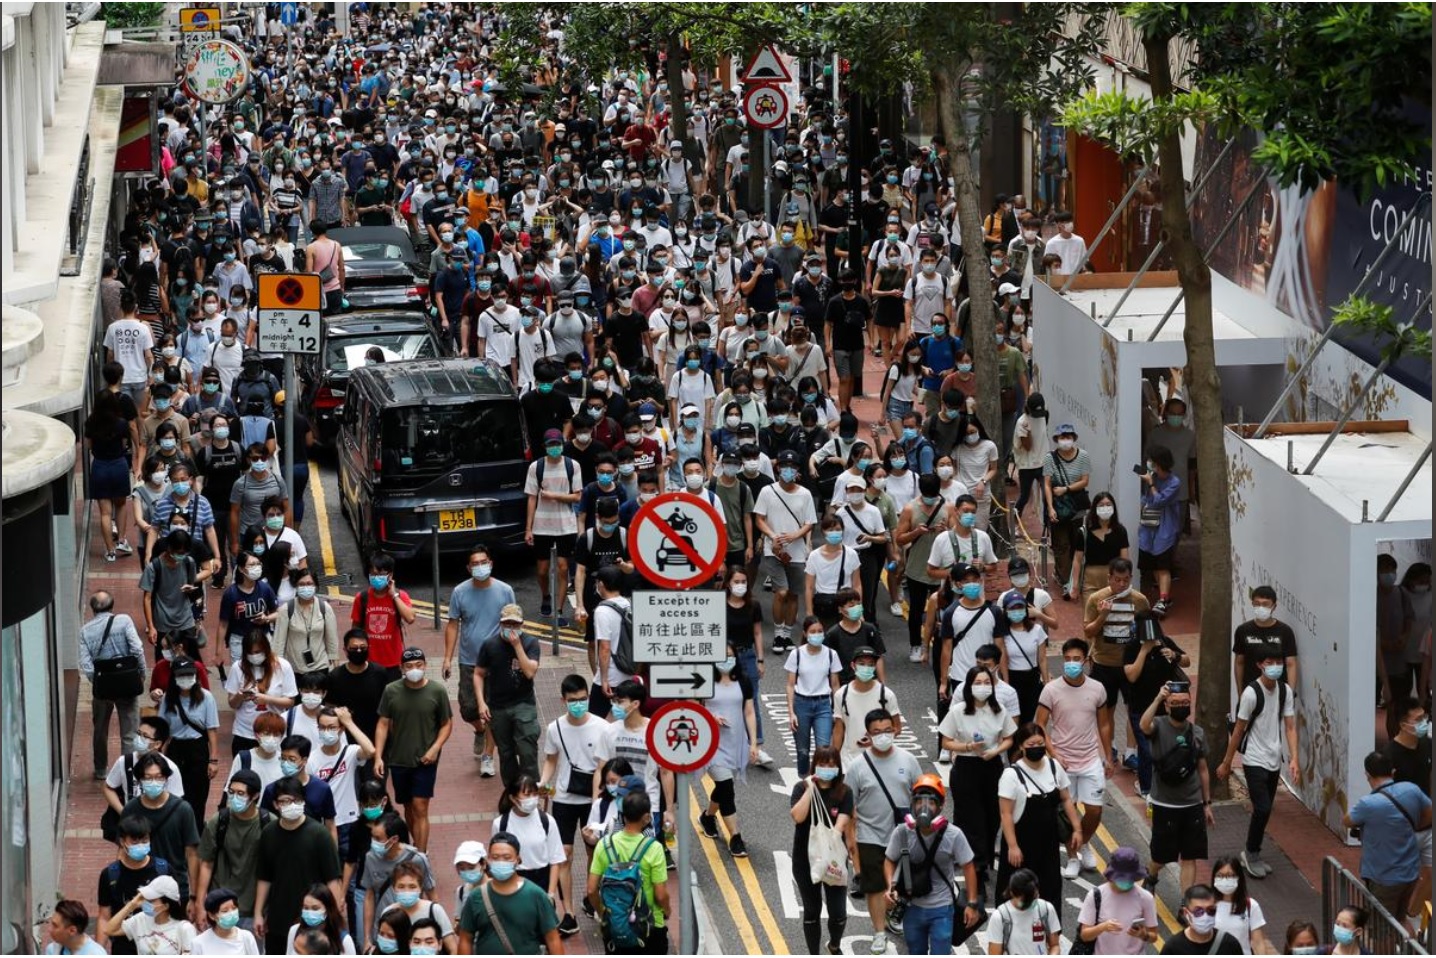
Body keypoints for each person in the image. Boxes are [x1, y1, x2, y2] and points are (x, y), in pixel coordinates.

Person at [1216, 649, 1300, 879]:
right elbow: (1238, 730)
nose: (1276, 666)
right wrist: (1227, 762)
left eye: (1279, 662)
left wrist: (1294, 758)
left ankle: (1253, 851)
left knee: (1265, 810)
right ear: (1260, 664)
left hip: (1274, 759)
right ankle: (1251, 853)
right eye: (1270, 662)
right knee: (1262, 808)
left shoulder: (1285, 691)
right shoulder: (1251, 694)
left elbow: (1290, 726)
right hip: (1253, 759)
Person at [1035, 638, 1112, 879]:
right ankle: (1072, 858)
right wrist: (1055, 757)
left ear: (1086, 661)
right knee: (1066, 814)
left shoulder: (1097, 689)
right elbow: (1039, 725)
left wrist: (1108, 756)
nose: (1071, 664)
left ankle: (1083, 842)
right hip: (1062, 763)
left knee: (1095, 811)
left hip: (1090, 759)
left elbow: (1105, 724)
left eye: (1076, 659)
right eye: (1067, 659)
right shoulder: (1051, 690)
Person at [847, 708, 922, 954]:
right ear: (868, 734)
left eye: (887, 730)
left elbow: (922, 797)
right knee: (875, 887)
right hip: (870, 836)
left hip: (903, 835)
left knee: (904, 884)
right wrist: (851, 843)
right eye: (877, 732)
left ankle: (895, 914)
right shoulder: (857, 767)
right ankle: (879, 932)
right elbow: (849, 807)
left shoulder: (908, 760)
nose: (883, 736)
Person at [883, 774, 983, 956]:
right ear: (912, 804)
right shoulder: (902, 832)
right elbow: (890, 859)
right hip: (912, 907)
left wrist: (972, 903)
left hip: (942, 909)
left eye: (931, 802)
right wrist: (889, 886)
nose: (924, 806)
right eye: (919, 800)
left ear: (941, 806)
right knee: (916, 951)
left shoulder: (954, 835)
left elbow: (968, 866)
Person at [539, 674, 605, 939]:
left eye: (583, 699)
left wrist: (597, 802)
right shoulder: (555, 728)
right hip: (564, 799)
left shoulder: (602, 727)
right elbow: (551, 760)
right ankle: (569, 914)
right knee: (564, 855)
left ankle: (591, 895)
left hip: (593, 800)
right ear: (563, 700)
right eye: (573, 701)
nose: (579, 704)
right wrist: (543, 781)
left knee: (594, 852)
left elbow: (602, 766)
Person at [443, 544, 517, 775]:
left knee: (492, 710)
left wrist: (514, 656)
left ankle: (488, 755)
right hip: (468, 661)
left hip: (497, 661)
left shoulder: (505, 591)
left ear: (491, 564)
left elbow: (513, 623)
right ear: (468, 567)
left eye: (483, 562)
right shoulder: (460, 592)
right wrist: (447, 658)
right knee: (468, 709)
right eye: (474, 563)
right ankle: (479, 730)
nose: (479, 567)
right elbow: (453, 624)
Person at [995, 723, 1083, 914]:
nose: (1037, 748)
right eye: (1031, 744)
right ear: (1021, 746)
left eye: (1040, 743)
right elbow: (1006, 814)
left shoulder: (1054, 767)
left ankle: (1051, 938)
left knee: (1049, 893)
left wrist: (1077, 829)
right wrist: (1012, 846)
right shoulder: (1011, 775)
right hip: (1021, 847)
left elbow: (1066, 799)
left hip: (1048, 846)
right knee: (1016, 897)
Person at [254, 774, 344, 953]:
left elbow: (333, 879)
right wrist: (258, 913)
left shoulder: (319, 834)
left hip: (313, 921)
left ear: (303, 802)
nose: (290, 805)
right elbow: (264, 877)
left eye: (295, 800)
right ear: (275, 805)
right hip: (278, 921)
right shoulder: (269, 833)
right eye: (284, 801)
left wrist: (336, 918)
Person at [375, 646, 453, 853]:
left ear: (425, 666)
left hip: (425, 760)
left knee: (420, 806)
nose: (414, 669)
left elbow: (446, 723)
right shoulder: (391, 691)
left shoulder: (437, 691)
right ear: (401, 668)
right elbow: (383, 723)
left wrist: (435, 748)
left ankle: (421, 854)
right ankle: (414, 845)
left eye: (419, 665)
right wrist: (378, 756)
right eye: (409, 666)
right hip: (399, 758)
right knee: (408, 806)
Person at [1342, 750, 1431, 920]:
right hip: (1410, 872)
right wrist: (1413, 826)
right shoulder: (1411, 789)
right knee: (1401, 920)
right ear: (1393, 772)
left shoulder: (1368, 804)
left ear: (1367, 775)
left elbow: (1347, 821)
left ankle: (1388, 948)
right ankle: (1407, 946)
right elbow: (1429, 813)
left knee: (1381, 931)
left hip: (1384, 878)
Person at [1141, 681, 1214, 891]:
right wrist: (1157, 697)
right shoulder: (1158, 725)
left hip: (1192, 804)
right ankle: (1151, 875)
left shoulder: (1197, 733)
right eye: (1176, 702)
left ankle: (1186, 904)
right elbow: (1143, 726)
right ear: (1167, 705)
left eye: (1185, 702)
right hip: (1164, 804)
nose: (1181, 706)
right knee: (1161, 856)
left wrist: (1206, 803)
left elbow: (1203, 770)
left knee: (1190, 857)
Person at [587, 789, 670, 955]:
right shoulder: (654, 848)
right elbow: (660, 894)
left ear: (623, 816)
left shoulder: (604, 845)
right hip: (651, 925)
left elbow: (591, 890)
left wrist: (604, 913)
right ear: (647, 817)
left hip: (616, 925)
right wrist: (667, 910)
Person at [789, 745, 853, 955]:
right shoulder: (801, 788)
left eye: (831, 765)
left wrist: (830, 841)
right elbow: (797, 816)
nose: (826, 768)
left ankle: (834, 944)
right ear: (814, 766)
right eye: (822, 764)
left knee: (838, 913)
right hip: (804, 860)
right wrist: (810, 789)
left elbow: (841, 824)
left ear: (838, 767)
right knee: (812, 911)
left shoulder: (844, 792)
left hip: (833, 858)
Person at [457, 830, 563, 954]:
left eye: (507, 858)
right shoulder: (476, 896)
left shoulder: (535, 895)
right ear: (488, 860)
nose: (501, 862)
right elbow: (465, 939)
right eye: (495, 858)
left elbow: (553, 939)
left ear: (518, 860)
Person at [699, 644, 760, 858]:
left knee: (725, 786)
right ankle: (735, 836)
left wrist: (753, 743)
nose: (727, 659)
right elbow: (693, 707)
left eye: (731, 656)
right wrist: (710, 717)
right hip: (712, 744)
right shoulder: (703, 679)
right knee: (726, 787)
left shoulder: (743, 681)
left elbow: (750, 712)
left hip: (736, 742)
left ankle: (707, 817)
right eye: (722, 656)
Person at [755, 450, 819, 653]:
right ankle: (777, 633)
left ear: (798, 471)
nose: (788, 470)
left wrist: (795, 535)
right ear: (778, 468)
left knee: (793, 594)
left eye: (792, 467)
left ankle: (787, 634)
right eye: (784, 466)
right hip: (773, 550)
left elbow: (810, 522)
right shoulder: (767, 491)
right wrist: (773, 537)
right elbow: (759, 519)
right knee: (781, 592)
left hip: (798, 551)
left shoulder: (805, 494)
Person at [474, 603, 542, 788]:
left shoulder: (530, 643)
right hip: (498, 706)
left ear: (521, 625)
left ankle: (530, 790)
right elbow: (478, 674)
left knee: (527, 750)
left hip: (523, 704)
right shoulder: (490, 645)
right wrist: (481, 703)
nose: (511, 628)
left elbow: (529, 672)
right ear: (500, 624)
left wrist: (517, 646)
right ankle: (513, 791)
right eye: (507, 624)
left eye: (515, 624)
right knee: (506, 753)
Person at [81, 590, 147, 779]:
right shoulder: (124, 620)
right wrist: (140, 674)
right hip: (127, 683)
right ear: (112, 605)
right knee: (129, 731)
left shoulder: (85, 631)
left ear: (93, 608)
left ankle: (101, 769)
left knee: (100, 729)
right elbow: (137, 648)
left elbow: (86, 664)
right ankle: (128, 772)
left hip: (103, 689)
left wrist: (99, 683)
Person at [195, 769, 269, 932]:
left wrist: (263, 912)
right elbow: (206, 864)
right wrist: (200, 905)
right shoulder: (219, 821)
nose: (234, 797)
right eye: (231, 792)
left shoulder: (268, 824)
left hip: (253, 911)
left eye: (241, 793)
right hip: (219, 907)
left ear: (255, 796)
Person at [525, 429, 584, 620]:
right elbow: (532, 498)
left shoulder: (572, 465)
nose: (554, 448)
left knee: (563, 567)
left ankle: (558, 610)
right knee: (542, 570)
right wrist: (528, 528)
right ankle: (545, 596)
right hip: (542, 525)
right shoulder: (536, 467)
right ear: (545, 447)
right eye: (551, 445)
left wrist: (553, 496)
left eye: (557, 444)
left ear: (562, 444)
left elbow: (577, 496)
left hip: (566, 525)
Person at [1074, 846, 1158, 955]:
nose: (1127, 882)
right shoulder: (1096, 895)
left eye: (1130, 878)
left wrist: (1143, 935)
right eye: (1122, 878)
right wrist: (1102, 927)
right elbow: (1084, 935)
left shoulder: (1146, 898)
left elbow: (1154, 936)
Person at [787, 615, 843, 777]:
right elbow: (790, 685)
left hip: (823, 705)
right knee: (802, 751)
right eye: (813, 631)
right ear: (805, 633)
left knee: (823, 748)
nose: (817, 634)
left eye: (820, 631)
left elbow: (835, 685)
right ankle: (804, 780)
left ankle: (820, 783)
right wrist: (791, 712)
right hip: (801, 704)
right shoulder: (796, 655)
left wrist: (836, 710)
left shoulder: (831, 655)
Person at [225, 630, 297, 754]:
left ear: (266, 648)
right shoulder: (238, 667)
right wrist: (240, 696)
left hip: (273, 734)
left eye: (258, 652)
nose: (254, 656)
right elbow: (232, 703)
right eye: (250, 653)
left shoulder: (283, 666)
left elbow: (290, 701)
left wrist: (267, 699)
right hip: (245, 733)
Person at [1042, 424, 1091, 599]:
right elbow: (1047, 484)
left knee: (1076, 543)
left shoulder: (1083, 456)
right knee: (1061, 545)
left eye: (1068, 436)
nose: (1065, 440)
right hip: (1058, 507)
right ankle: (1066, 582)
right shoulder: (1050, 458)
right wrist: (1050, 507)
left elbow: (1085, 481)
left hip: (1077, 507)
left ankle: (1074, 577)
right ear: (1056, 440)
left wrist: (1066, 489)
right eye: (1062, 437)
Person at [832, 646, 904, 765]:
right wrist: (833, 759)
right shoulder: (841, 695)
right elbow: (838, 730)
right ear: (853, 665)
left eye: (871, 664)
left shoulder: (886, 695)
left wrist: (875, 740)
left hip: (879, 760)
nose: (866, 668)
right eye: (862, 663)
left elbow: (897, 728)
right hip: (849, 761)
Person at [352, 553, 416, 681]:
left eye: (381, 574)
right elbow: (355, 629)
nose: (377, 578)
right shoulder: (362, 598)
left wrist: (394, 595)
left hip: (393, 662)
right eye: (373, 574)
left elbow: (410, 618)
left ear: (390, 575)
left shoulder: (400, 596)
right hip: (369, 662)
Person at [100, 874, 197, 955]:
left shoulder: (184, 929)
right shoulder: (141, 919)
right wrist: (131, 905)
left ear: (166, 905)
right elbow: (109, 930)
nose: (146, 902)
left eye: (151, 900)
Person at [327, 628, 390, 753]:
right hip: (346, 742)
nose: (359, 651)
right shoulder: (335, 676)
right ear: (345, 650)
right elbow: (330, 707)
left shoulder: (379, 673)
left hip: (376, 739)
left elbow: (387, 709)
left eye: (363, 647)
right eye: (354, 648)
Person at [1137, 445, 1182, 617]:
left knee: (1163, 566)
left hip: (1165, 529)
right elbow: (1146, 499)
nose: (1149, 464)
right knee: (1154, 564)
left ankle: (1163, 599)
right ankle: (1165, 596)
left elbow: (1158, 501)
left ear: (1159, 463)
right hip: (1148, 527)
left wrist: (1151, 483)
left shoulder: (1174, 482)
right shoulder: (1151, 477)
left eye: (1152, 461)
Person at [1232, 585, 1300, 691]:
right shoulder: (1243, 630)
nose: (1261, 607)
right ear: (1252, 604)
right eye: (1257, 604)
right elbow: (1239, 662)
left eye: (1265, 604)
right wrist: (1241, 693)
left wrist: (1290, 694)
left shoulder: (1285, 631)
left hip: (1278, 692)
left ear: (1274, 606)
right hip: (1251, 692)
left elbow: (1291, 664)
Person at [983, 868, 1061, 956]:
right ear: (1012, 893)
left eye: (1033, 899)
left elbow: (1054, 945)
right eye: (1025, 901)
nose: (1029, 904)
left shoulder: (1046, 909)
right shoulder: (1000, 917)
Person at [1071, 491, 1129, 602]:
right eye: (1101, 505)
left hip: (1113, 578)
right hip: (1090, 579)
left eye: (1108, 505)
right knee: (1090, 614)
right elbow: (1077, 560)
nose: (1105, 508)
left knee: (1112, 615)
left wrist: (1124, 582)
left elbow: (1125, 560)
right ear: (1094, 508)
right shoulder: (1084, 532)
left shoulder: (1120, 531)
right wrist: (1075, 584)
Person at [1210, 856, 1272, 955]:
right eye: (1220, 876)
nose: (1225, 880)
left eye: (1230, 876)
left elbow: (1258, 942)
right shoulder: (1207, 905)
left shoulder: (1251, 905)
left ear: (1239, 878)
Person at [1159, 884, 1244, 954]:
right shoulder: (1173, 948)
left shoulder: (1230, 944)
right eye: (1198, 911)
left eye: (1211, 910)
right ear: (1186, 913)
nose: (1205, 916)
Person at [285, 883, 357, 955]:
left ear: (328, 910)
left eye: (315, 908)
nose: (310, 912)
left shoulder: (344, 940)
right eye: (306, 908)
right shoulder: (294, 931)